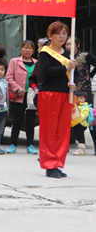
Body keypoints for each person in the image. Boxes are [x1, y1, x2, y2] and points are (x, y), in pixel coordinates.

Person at [37, 21, 77, 178]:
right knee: (49, 130)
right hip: (49, 95)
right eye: (58, 33)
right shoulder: (45, 53)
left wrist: (73, 84)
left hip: (66, 95)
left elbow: (74, 74)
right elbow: (46, 72)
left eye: (64, 33)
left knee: (63, 131)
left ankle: (58, 163)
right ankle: (49, 165)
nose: (62, 36)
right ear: (50, 35)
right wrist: (65, 68)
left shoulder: (68, 54)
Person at [6, 40, 38, 155]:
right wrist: (17, 88)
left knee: (30, 121)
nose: (27, 50)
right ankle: (13, 144)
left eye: (30, 48)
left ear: (33, 51)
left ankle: (30, 145)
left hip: (31, 96)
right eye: (25, 48)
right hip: (19, 95)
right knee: (17, 120)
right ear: (21, 50)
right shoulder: (14, 61)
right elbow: (9, 77)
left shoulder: (37, 63)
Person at [66, 37, 96, 105]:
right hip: (69, 87)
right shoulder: (64, 56)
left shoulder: (85, 55)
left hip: (84, 87)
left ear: (78, 45)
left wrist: (91, 75)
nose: (68, 46)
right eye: (67, 44)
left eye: (71, 44)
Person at [71, 90, 92, 156]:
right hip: (75, 123)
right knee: (76, 135)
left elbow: (84, 115)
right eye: (77, 98)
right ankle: (79, 147)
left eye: (81, 98)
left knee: (80, 135)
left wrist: (76, 116)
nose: (79, 100)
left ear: (85, 99)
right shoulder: (74, 105)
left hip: (81, 124)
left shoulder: (85, 107)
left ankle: (81, 149)